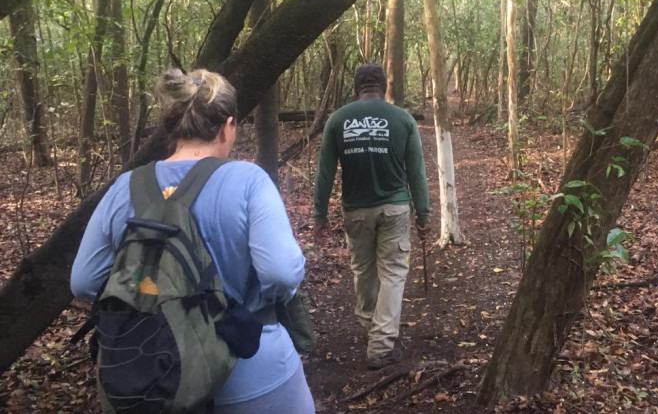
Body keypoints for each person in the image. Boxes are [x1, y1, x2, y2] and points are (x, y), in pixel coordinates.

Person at [71, 68, 315, 414]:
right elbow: (280, 273)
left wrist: (149, 293)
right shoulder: (248, 181)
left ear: (172, 127)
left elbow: (83, 282)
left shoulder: (125, 186)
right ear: (228, 126)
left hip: (157, 376)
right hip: (251, 368)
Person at [313, 63, 430, 370]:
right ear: (384, 87)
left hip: (356, 211)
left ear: (356, 88)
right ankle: (380, 343)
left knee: (364, 271)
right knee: (393, 274)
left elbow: (324, 173)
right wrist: (424, 212)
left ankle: (374, 328)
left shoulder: (337, 120)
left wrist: (319, 215)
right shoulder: (403, 119)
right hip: (395, 208)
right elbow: (416, 171)